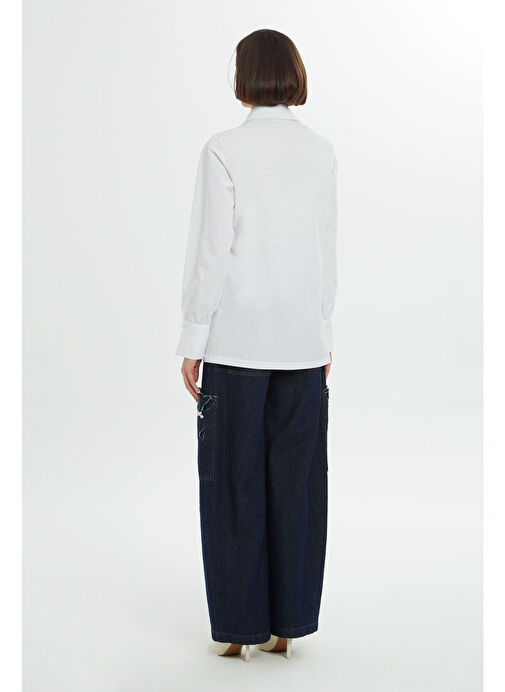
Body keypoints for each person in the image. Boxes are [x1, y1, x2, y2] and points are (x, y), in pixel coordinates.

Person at [176, 28, 337, 663]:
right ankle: (285, 627)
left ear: (243, 77)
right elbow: (326, 249)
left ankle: (238, 629)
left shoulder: (224, 149)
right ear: (294, 73)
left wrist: (194, 336)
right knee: (297, 488)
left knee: (233, 487)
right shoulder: (321, 152)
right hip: (301, 345)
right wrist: (324, 331)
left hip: (237, 344)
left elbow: (211, 251)